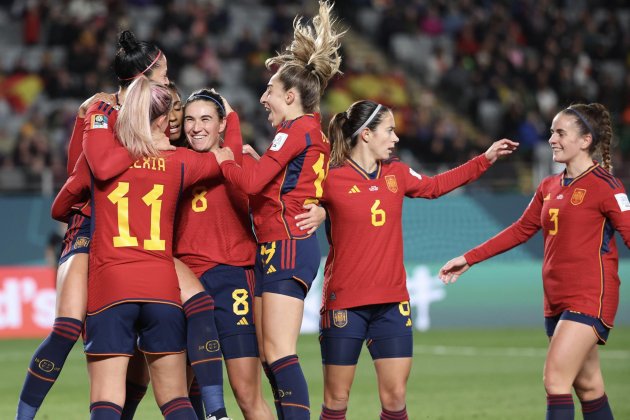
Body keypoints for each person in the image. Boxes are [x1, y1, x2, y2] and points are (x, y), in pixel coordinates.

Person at [318, 100, 518, 420]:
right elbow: (291, 201)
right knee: (337, 400)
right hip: (345, 301)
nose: (396, 138)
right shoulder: (330, 179)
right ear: (366, 134)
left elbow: (436, 186)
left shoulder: (397, 172)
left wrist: (485, 159)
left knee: (395, 397)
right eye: (390, 130)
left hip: (391, 301)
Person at [14, 30, 169, 420]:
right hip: (90, 228)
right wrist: (135, 141)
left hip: (144, 234)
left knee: (138, 349)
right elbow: (81, 174)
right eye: (163, 73)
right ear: (144, 77)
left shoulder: (164, 109)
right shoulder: (102, 113)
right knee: (67, 327)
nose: (168, 80)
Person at [439, 103, 628, 420]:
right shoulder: (549, 186)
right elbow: (520, 230)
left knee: (555, 381)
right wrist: (469, 258)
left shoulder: (607, 186)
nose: (552, 138)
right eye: (552, 131)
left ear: (585, 140)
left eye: (560, 132)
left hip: (590, 296)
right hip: (555, 299)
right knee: (590, 387)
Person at [51, 77, 224, 419]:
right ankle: (217, 410)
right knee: (175, 398)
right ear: (162, 121)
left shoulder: (106, 160)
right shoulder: (180, 163)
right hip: (162, 289)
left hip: (112, 287)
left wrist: (98, 110)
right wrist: (226, 124)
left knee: (106, 399)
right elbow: (222, 158)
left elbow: (60, 208)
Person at [212, 2, 344, 418]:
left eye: (270, 90)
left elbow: (250, 185)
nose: (263, 97)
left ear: (290, 96)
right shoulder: (300, 132)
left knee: (278, 351)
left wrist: (226, 160)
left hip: (287, 246)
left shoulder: (297, 131)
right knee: (271, 355)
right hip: (279, 245)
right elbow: (269, 190)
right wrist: (252, 163)